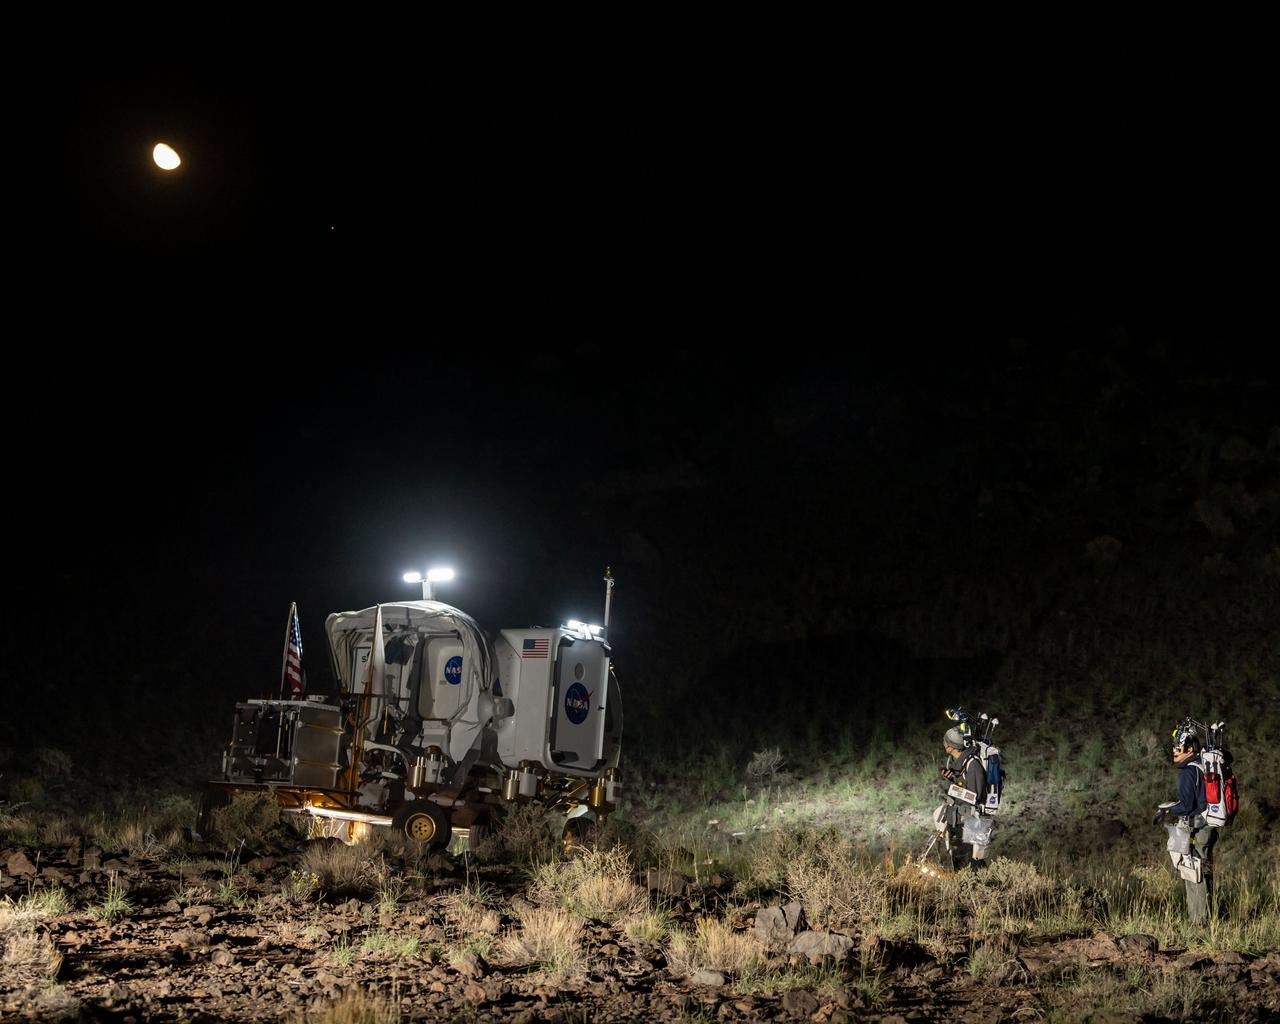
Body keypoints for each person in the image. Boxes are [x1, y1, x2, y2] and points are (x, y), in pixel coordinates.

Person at [1153, 722, 1217, 924]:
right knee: (1204, 873)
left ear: (1190, 749)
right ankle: (1206, 919)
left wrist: (1168, 809)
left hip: (1196, 829)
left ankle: (1200, 923)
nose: (1174, 751)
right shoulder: (1202, 766)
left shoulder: (1189, 771)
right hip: (1207, 827)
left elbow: (1186, 805)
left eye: (1178, 748)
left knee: (1194, 874)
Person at [936, 724, 993, 871]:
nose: (944, 743)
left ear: (951, 746)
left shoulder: (973, 765)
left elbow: (975, 796)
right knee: (962, 865)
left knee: (973, 867)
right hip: (959, 820)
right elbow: (964, 787)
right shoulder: (961, 763)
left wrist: (955, 789)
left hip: (971, 822)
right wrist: (953, 779)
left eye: (946, 741)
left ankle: (976, 892)